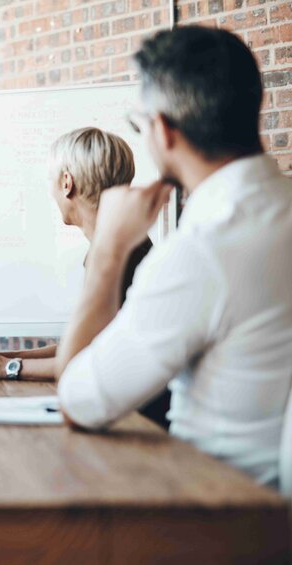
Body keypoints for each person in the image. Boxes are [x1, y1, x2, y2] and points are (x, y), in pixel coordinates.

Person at [55, 27, 292, 487]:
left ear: (161, 130)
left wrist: (107, 249)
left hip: (210, 511)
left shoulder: (203, 248)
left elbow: (79, 400)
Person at [0, 128, 171, 428]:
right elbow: (77, 344)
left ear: (67, 183)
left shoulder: (117, 258)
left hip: (138, 423)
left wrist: (4, 367)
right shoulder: (121, 247)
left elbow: (80, 360)